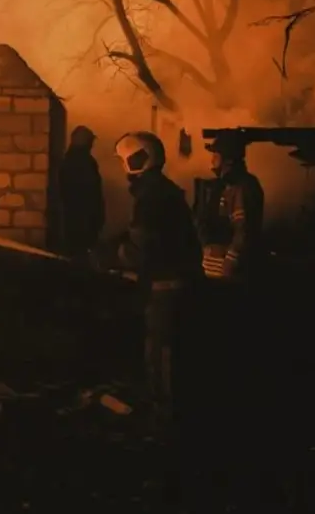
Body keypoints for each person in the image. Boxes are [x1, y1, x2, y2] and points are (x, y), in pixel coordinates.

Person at [114, 131, 203, 425]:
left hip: (166, 291)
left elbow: (143, 249)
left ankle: (167, 424)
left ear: (136, 158)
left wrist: (115, 255)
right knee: (168, 356)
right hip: (177, 287)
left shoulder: (150, 196)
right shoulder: (161, 191)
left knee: (162, 359)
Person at [198, 130, 265, 282]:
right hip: (215, 269)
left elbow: (244, 230)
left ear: (228, 160)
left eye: (216, 156)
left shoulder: (241, 187)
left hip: (229, 273)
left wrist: (231, 261)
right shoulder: (225, 186)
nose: (212, 161)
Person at [59, 125, 105, 262]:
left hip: (70, 221)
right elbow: (93, 195)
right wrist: (98, 219)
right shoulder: (87, 163)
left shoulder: (65, 162)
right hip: (85, 223)